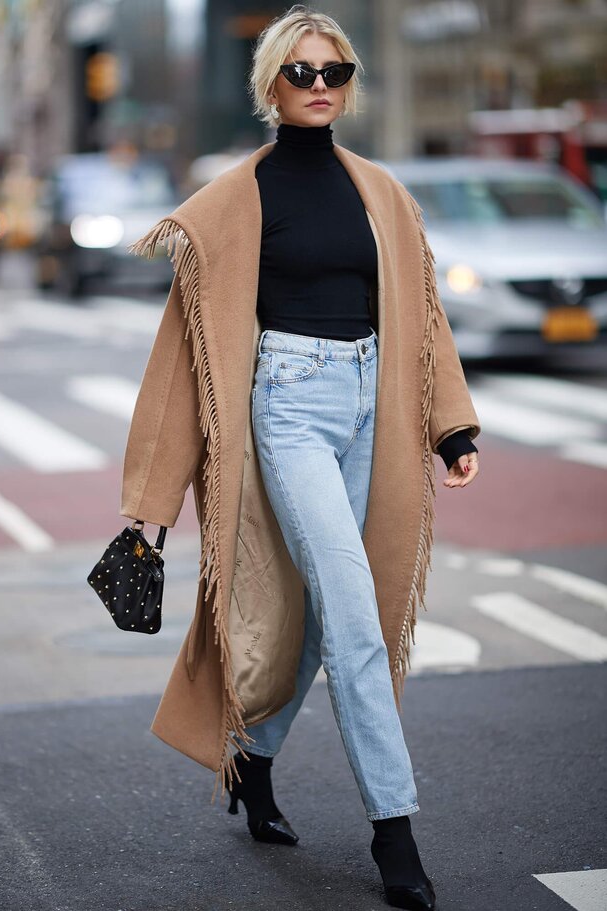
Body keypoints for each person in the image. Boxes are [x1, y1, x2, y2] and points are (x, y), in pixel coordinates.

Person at [122, 7, 480, 910]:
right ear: (268, 85)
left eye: (336, 71)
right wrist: (149, 507)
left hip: (373, 403)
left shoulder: (380, 192)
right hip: (286, 405)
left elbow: (421, 312)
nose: (320, 86)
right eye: (301, 72)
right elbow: (181, 357)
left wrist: (450, 425)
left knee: (326, 620)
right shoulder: (229, 202)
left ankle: (253, 760)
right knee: (355, 613)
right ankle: (395, 833)